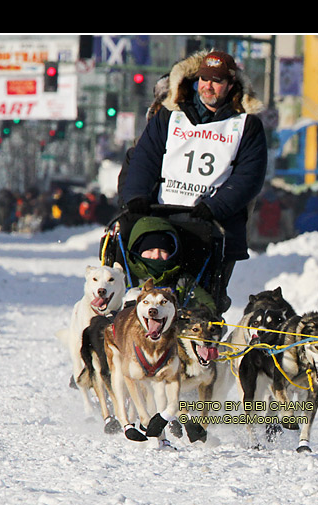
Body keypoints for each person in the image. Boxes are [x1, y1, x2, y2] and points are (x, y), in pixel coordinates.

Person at [119, 51, 268, 315]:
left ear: (231, 85)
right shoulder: (169, 116)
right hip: (162, 216)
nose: (208, 86)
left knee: (206, 302)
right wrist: (136, 197)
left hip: (214, 224)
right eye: (204, 79)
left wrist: (216, 206)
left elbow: (249, 177)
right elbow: (144, 159)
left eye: (217, 81)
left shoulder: (247, 126)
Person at [125, 216, 217, 314]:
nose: (156, 256)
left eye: (163, 251)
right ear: (138, 252)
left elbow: (208, 307)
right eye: (150, 250)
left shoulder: (183, 282)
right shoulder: (123, 278)